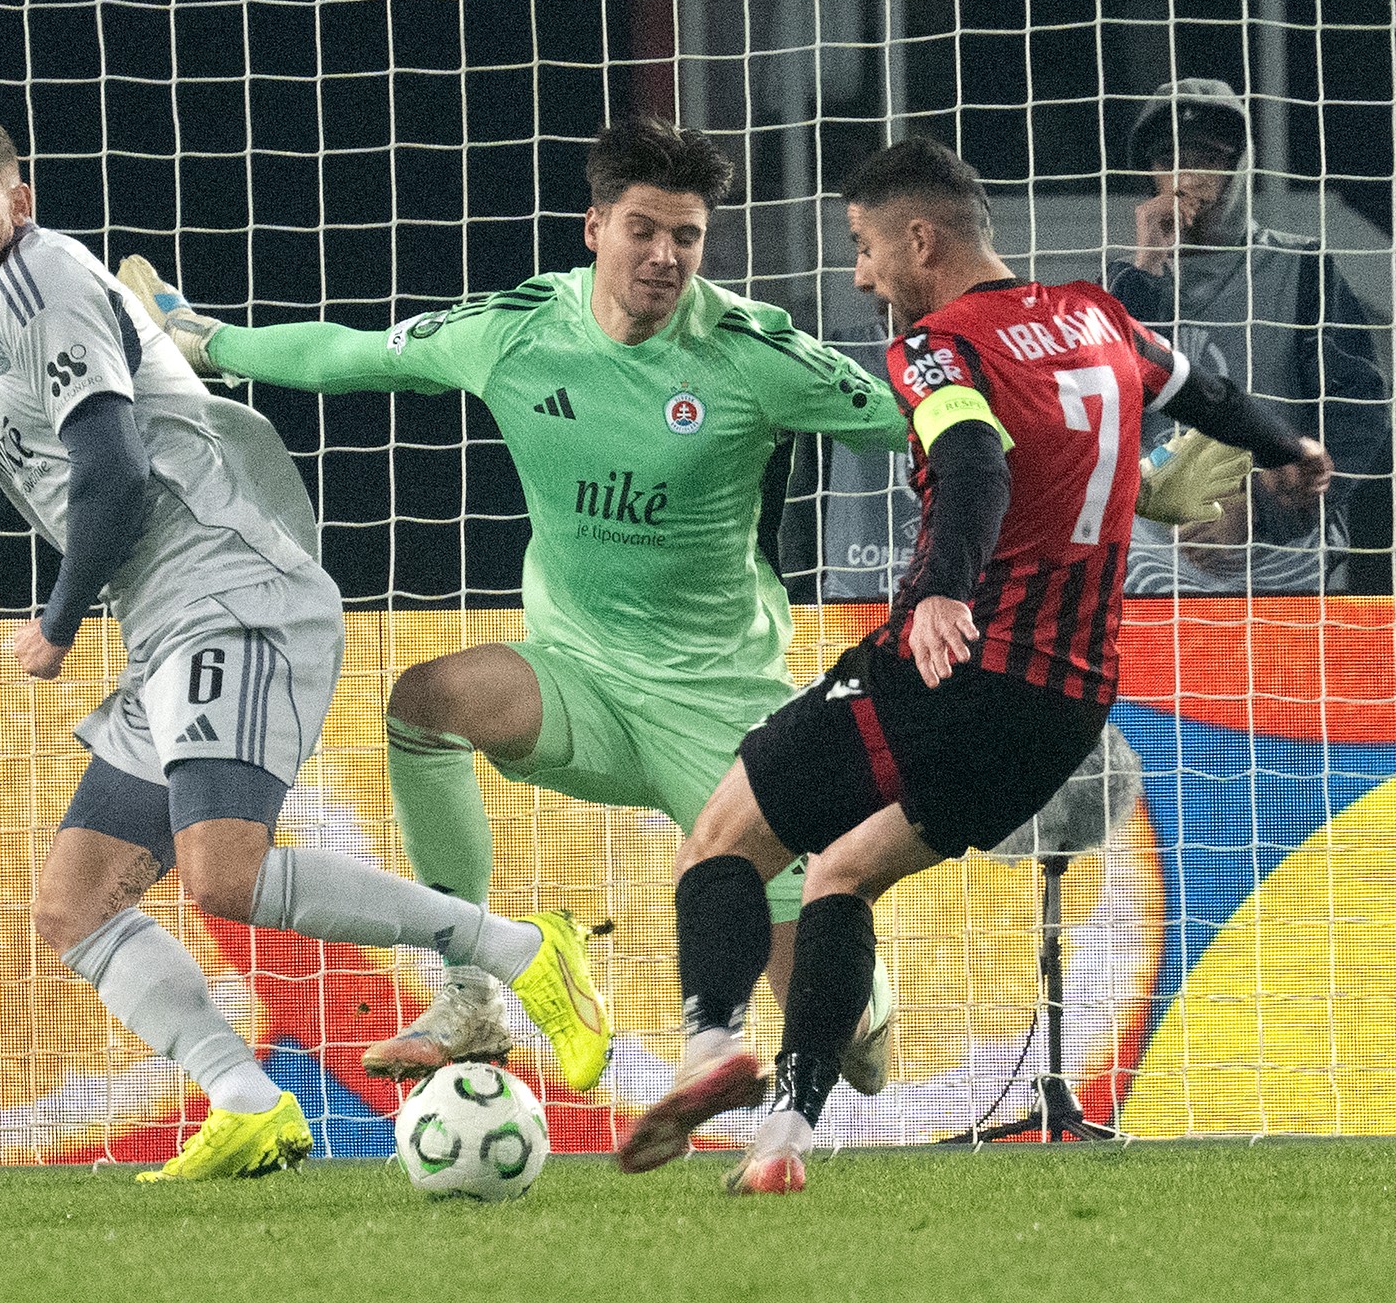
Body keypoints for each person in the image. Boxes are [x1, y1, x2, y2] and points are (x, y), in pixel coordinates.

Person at [0, 114, 612, 1182]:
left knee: (222, 873)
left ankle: (519, 951)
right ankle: (250, 1104)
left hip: (232, 588)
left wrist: (58, 622)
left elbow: (114, 473)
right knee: (76, 901)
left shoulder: (46, 281)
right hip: (168, 625)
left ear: (18, 201)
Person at [120, 115, 914, 1092]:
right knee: (425, 701)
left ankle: (861, 990)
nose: (664, 256)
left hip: (718, 713)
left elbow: (915, 417)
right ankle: (471, 991)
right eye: (642, 229)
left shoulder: (755, 352)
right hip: (578, 679)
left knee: (846, 1049)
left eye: (687, 236)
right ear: (594, 228)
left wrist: (1100, 457)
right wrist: (199, 337)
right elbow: (350, 355)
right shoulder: (515, 334)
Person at [616, 136, 1332, 1193]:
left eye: (864, 249)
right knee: (843, 872)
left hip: (957, 665)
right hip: (1070, 705)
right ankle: (787, 1136)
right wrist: (1288, 447)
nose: (860, 274)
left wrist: (945, 585)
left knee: (720, 840)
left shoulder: (940, 345)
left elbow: (969, 462)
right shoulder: (1098, 315)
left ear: (920, 239)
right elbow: (1206, 396)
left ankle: (710, 1042)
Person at [1110, 78, 1387, 595]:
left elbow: (1359, 415)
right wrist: (1146, 265)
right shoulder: (1122, 285)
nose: (1183, 175)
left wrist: (1263, 510)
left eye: (1205, 157)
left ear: (1239, 165)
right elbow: (1100, 412)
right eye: (1167, 158)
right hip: (1150, 572)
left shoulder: (1300, 268)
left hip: (1284, 570)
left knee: (1294, 678)